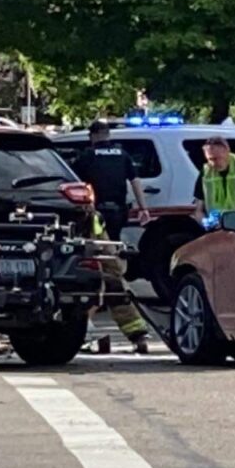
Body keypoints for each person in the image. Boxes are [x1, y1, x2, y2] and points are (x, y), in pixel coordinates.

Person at [70, 120, 152, 354]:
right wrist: (143, 207)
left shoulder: (87, 156)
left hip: (94, 219)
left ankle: (88, 326)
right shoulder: (122, 154)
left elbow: (74, 184)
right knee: (111, 270)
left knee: (99, 272)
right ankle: (135, 333)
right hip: (117, 214)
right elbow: (135, 182)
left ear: (93, 135)